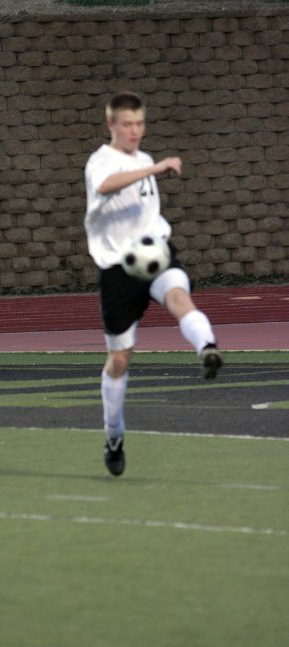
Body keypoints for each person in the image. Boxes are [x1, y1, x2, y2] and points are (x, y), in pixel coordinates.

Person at [84, 91, 222, 477]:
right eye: (127, 124)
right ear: (111, 124)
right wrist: (156, 168)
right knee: (120, 358)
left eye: (140, 124)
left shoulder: (144, 159)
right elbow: (108, 185)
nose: (134, 131)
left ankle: (206, 347)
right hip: (118, 267)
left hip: (155, 252)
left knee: (178, 295)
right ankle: (114, 435)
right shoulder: (101, 161)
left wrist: (151, 167)